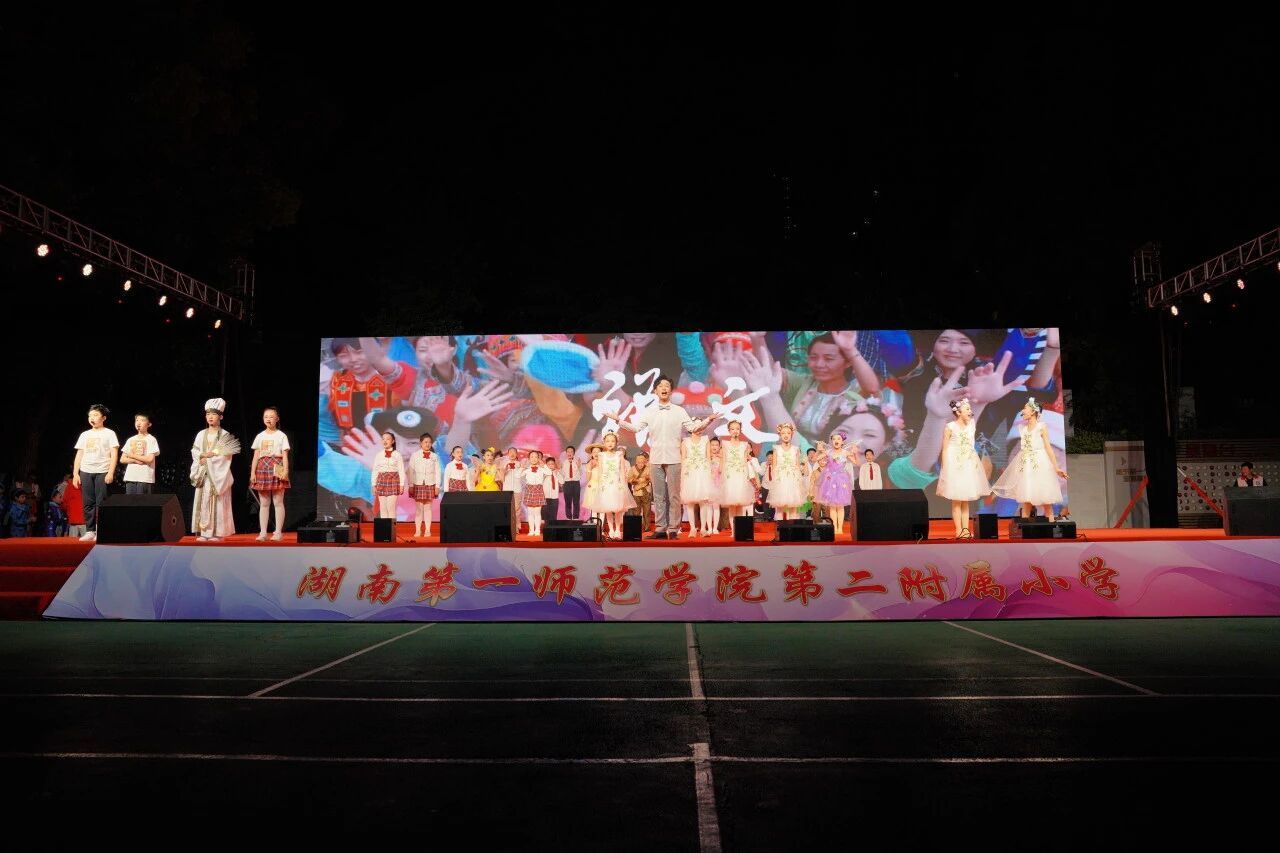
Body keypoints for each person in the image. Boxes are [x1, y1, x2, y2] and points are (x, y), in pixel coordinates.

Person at [606, 374, 715, 539]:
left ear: (671, 391)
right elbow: (636, 428)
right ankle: (660, 529)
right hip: (656, 458)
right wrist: (618, 420)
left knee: (674, 496)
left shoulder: (679, 411)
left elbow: (693, 428)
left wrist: (708, 420)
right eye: (661, 386)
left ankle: (673, 529)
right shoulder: (649, 411)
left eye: (667, 386)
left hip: (674, 458)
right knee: (658, 496)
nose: (664, 388)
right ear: (655, 391)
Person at [991, 397, 1068, 520]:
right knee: (1026, 501)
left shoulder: (1041, 427)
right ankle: (1024, 528)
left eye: (1025, 408)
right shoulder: (1022, 429)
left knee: (1046, 502)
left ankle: (1052, 526)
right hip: (1026, 467)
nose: (1023, 411)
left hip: (1039, 464)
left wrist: (1056, 468)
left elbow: (1048, 448)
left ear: (1033, 411)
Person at [936, 398, 990, 538]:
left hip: (968, 464)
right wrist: (945, 467)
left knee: (965, 500)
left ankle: (966, 529)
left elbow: (971, 444)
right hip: (954, 464)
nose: (970, 411)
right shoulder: (950, 427)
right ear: (959, 412)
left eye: (970, 409)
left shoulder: (972, 424)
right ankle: (958, 530)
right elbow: (945, 449)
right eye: (967, 409)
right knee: (956, 500)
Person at [190, 398, 240, 542]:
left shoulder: (225, 435)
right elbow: (195, 452)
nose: (210, 417)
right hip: (203, 474)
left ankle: (218, 533)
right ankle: (204, 533)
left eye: (214, 414)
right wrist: (202, 456)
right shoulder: (201, 434)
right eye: (208, 414)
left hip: (218, 476)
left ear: (221, 416)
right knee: (203, 501)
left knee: (217, 502)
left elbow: (226, 457)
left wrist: (208, 459)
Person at [72, 403, 120, 542]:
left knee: (101, 502)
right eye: (90, 415)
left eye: (95, 415)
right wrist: (75, 473)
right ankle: (90, 531)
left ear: (103, 418)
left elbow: (114, 454)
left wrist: (110, 472)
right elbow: (79, 454)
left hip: (102, 470)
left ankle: (101, 530)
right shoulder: (84, 435)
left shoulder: (109, 433)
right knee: (88, 502)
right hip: (86, 470)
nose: (92, 418)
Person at [250, 407, 291, 541]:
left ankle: (278, 532)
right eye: (266, 416)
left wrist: (285, 470)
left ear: (277, 419)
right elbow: (256, 456)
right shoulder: (260, 436)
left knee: (278, 502)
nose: (268, 419)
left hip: (277, 466)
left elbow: (285, 455)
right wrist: (252, 473)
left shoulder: (281, 435)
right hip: (262, 467)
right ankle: (263, 533)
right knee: (264, 503)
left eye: (271, 417)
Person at [592, 433, 636, 540]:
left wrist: (624, 485)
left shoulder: (619, 454)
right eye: (607, 441)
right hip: (606, 485)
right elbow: (601, 471)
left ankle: (617, 530)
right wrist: (600, 485)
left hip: (617, 485)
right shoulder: (601, 455)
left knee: (618, 509)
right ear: (604, 442)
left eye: (612, 441)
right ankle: (611, 529)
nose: (610, 443)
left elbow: (622, 471)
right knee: (608, 509)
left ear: (616, 443)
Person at [815, 431, 857, 535]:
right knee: (833, 506)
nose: (836, 441)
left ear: (842, 442)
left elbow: (856, 462)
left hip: (841, 480)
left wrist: (855, 452)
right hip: (830, 480)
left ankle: (840, 528)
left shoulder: (845, 452)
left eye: (838, 439)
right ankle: (834, 528)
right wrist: (818, 450)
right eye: (834, 439)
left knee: (840, 506)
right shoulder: (828, 452)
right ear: (832, 441)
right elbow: (815, 459)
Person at [719, 421, 759, 522]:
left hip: (741, 476)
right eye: (732, 429)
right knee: (732, 504)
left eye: (737, 429)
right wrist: (723, 475)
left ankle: (739, 529)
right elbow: (723, 460)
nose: (735, 431)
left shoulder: (744, 445)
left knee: (740, 503)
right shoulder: (725, 444)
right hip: (729, 476)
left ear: (740, 430)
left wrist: (746, 476)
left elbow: (745, 462)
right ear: (729, 431)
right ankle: (733, 529)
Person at [767, 424, 807, 520]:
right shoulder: (776, 448)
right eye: (783, 433)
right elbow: (774, 466)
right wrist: (774, 481)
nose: (786, 435)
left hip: (793, 480)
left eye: (788, 433)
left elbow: (797, 466)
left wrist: (799, 480)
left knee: (793, 507)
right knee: (780, 508)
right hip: (780, 481)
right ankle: (780, 528)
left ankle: (793, 528)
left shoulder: (795, 449)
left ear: (792, 434)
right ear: (780, 435)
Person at [680, 430, 715, 537]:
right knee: (690, 502)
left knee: (703, 501)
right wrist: (682, 475)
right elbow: (683, 459)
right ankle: (692, 529)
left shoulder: (705, 440)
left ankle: (703, 528)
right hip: (689, 473)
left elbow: (708, 458)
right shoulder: (685, 441)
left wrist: (710, 473)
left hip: (702, 473)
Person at [408, 432, 442, 538]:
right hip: (418, 484)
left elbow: (438, 472)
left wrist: (437, 486)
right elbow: (411, 471)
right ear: (421, 443)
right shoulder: (415, 455)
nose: (427, 444)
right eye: (425, 442)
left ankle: (427, 530)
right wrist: (411, 485)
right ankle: (418, 530)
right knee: (419, 509)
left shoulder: (434, 456)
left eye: (429, 442)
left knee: (428, 508)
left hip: (430, 484)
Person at [120, 413, 161, 495]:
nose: (138, 423)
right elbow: (122, 459)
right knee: (129, 501)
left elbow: (149, 459)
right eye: (137, 420)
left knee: (142, 502)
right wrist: (135, 461)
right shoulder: (130, 439)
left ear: (149, 424)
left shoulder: (151, 439)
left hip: (144, 477)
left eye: (142, 420)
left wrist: (132, 455)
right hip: (130, 477)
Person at [370, 430, 406, 521]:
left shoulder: (397, 455)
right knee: (383, 507)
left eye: (388, 439)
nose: (385, 441)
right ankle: (384, 528)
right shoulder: (379, 455)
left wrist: (401, 485)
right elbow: (375, 470)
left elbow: (401, 470)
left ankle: (392, 528)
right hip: (381, 481)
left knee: (390, 507)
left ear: (393, 441)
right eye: (383, 439)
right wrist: (373, 485)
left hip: (393, 480)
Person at [518, 450, 554, 538]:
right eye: (532, 457)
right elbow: (517, 476)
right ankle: (531, 530)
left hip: (538, 490)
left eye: (536, 457)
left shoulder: (541, 469)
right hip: (529, 490)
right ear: (529, 459)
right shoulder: (527, 469)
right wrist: (521, 467)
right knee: (530, 513)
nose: (534, 458)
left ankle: (537, 530)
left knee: (537, 513)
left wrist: (543, 464)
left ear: (538, 459)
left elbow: (550, 473)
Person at [628, 451, 653, 533]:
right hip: (636, 492)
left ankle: (647, 527)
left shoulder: (648, 469)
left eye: (642, 462)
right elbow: (629, 479)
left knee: (647, 511)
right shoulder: (632, 469)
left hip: (646, 491)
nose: (641, 464)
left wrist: (646, 479)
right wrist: (635, 480)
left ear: (645, 462)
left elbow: (651, 478)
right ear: (636, 462)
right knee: (636, 511)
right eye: (639, 462)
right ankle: (637, 527)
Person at [560, 444, 582, 520]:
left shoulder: (577, 462)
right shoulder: (563, 463)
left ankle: (576, 518)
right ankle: (568, 517)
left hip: (576, 483)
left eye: (571, 452)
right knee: (568, 502)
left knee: (576, 501)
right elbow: (562, 475)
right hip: (567, 483)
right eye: (568, 452)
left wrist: (579, 467)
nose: (569, 453)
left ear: (574, 453)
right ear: (566, 453)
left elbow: (581, 474)